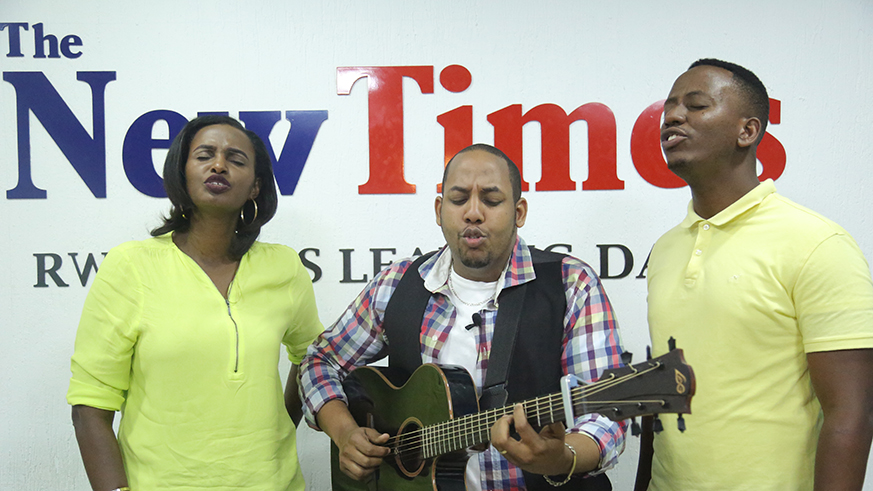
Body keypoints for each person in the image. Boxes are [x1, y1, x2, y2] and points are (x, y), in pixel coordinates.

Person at [300, 143, 626, 490]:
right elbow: (320, 360)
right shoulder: (397, 284)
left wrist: (561, 458)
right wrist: (345, 432)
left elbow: (604, 415)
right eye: (458, 199)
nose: (473, 213)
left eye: (491, 199)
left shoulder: (570, 284)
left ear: (519, 212)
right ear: (440, 210)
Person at [636, 59, 873, 491]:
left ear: (748, 131)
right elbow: (664, 397)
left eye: (696, 105)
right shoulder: (667, 250)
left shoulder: (817, 243)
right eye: (669, 107)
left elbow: (851, 415)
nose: (671, 116)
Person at [67, 115, 324, 491]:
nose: (219, 164)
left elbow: (313, 358)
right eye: (205, 155)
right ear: (181, 173)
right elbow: (90, 405)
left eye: (236, 159)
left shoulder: (283, 266)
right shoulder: (131, 266)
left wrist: (279, 424)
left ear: (254, 187)